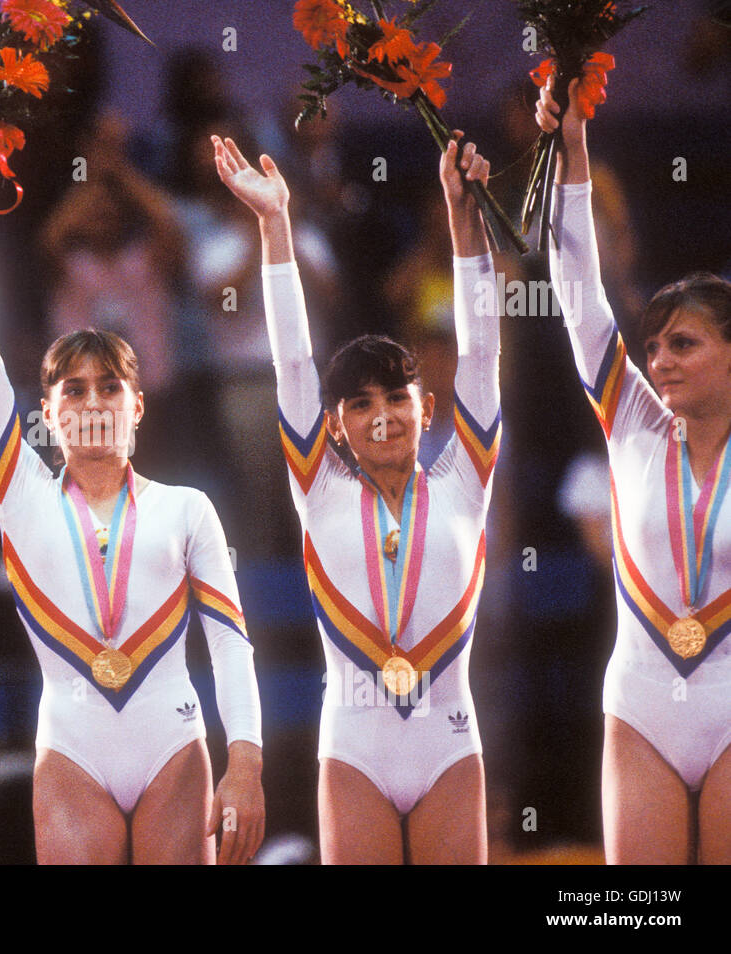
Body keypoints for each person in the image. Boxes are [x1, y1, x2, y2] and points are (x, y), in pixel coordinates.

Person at [0, 134, 265, 865]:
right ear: (47, 412)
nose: (93, 402)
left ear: (140, 405)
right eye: (74, 389)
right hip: (73, 754)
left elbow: (229, 644)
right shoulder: (21, 496)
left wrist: (244, 762)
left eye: (110, 387)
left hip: (175, 748)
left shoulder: (189, 509)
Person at [216, 132, 500, 864]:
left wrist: (462, 223)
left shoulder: (467, 475)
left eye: (397, 398)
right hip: (354, 752)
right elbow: (291, 360)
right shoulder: (319, 488)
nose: (382, 415)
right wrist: (275, 225)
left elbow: (480, 351)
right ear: (334, 427)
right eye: (360, 404)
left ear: (427, 408)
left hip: (448, 745)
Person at [538, 81, 731, 864]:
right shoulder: (634, 426)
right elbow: (580, 300)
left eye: (683, 344)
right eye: (653, 348)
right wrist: (572, 151)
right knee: (639, 919)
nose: (660, 361)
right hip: (643, 707)